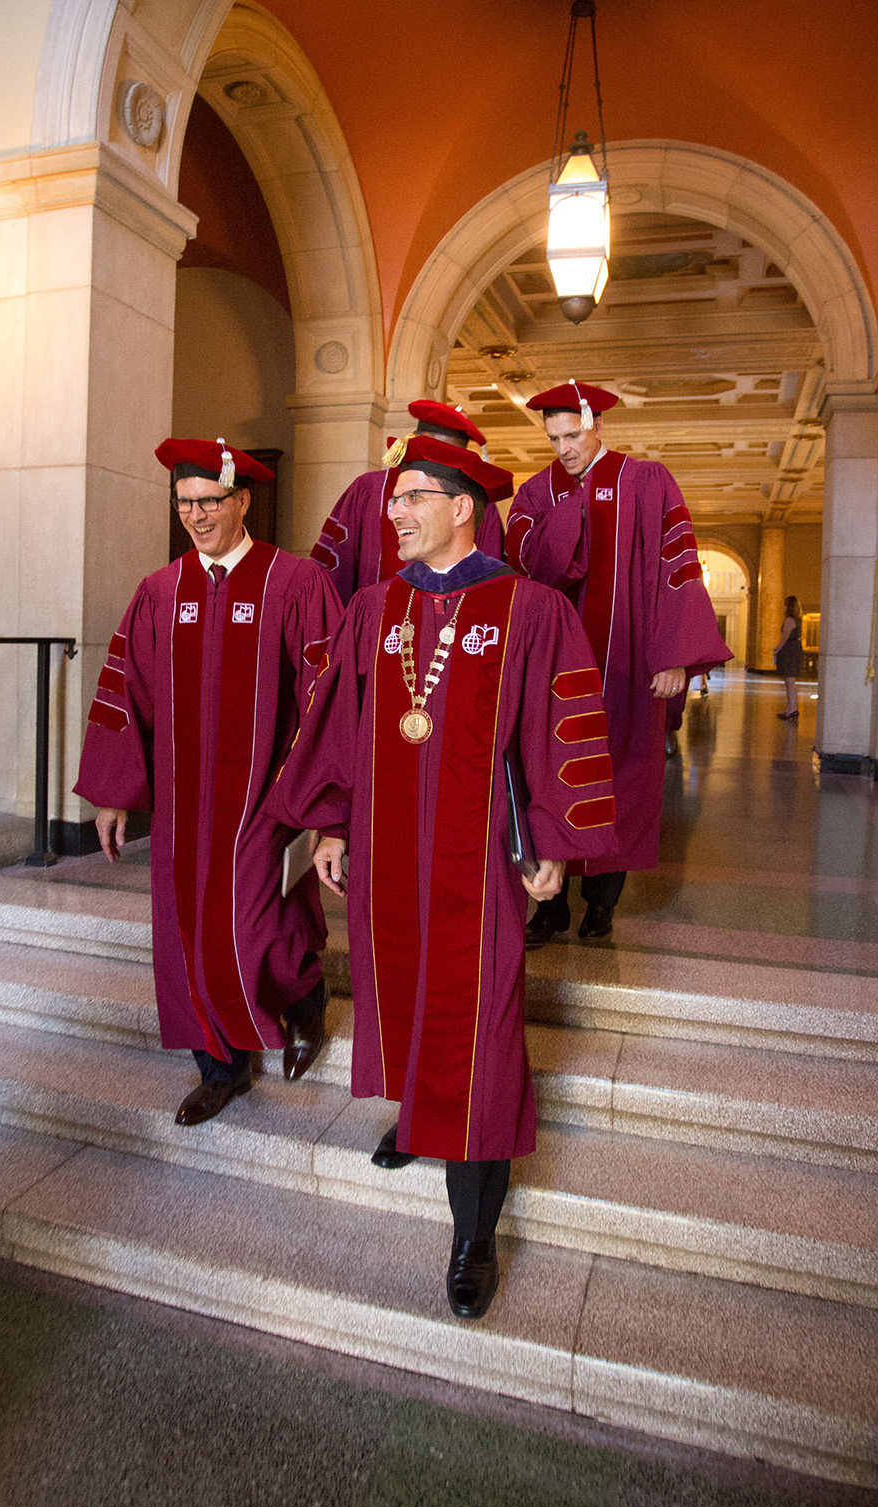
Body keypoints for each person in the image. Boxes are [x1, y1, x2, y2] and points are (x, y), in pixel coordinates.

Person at [270, 436, 618, 1320]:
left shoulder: (530, 608)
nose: (393, 514)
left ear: (462, 505)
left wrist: (554, 839)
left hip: (483, 856)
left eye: (412, 497)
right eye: (393, 500)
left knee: (483, 1029)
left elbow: (562, 727)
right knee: (409, 998)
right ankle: (424, 1118)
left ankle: (473, 1235)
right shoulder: (375, 606)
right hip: (387, 856)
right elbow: (337, 722)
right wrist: (327, 822)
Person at [75, 437, 344, 1126]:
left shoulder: (295, 583)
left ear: (243, 501)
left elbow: (327, 694)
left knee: (262, 924)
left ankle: (302, 991)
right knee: (187, 932)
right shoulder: (160, 593)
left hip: (265, 796)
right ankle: (218, 1067)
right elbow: (123, 692)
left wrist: (319, 799)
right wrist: (112, 793)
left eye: (209, 502)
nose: (195, 516)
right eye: (184, 503)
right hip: (182, 807)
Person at [505, 381, 732, 945]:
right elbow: (524, 566)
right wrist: (570, 512)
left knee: (622, 777)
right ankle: (550, 905)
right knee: (550, 775)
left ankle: (602, 904)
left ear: (597, 425)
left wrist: (675, 655)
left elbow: (678, 565)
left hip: (630, 664)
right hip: (552, 667)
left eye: (574, 435)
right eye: (554, 438)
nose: (565, 448)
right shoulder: (537, 493)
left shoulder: (647, 482)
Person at [310, 400, 505, 603]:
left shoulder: (476, 501)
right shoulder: (367, 489)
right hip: (377, 617)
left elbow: (488, 574)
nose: (437, 464)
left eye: (450, 457)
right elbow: (338, 563)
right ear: (412, 440)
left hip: (450, 621)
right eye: (433, 450)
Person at [774, 595, 803, 719]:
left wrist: (776, 650)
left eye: (785, 604)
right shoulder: (797, 619)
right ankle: (790, 707)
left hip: (789, 651)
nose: (783, 606)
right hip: (795, 649)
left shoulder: (789, 620)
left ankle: (792, 708)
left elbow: (784, 638)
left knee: (789, 682)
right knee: (790, 681)